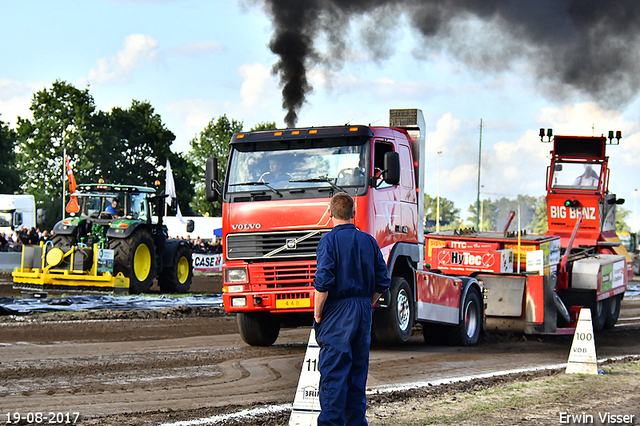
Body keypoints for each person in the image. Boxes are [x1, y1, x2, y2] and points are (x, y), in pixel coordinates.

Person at [313, 192, 391, 426]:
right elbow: (382, 281)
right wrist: (368, 302)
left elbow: (323, 282)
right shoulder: (368, 241)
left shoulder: (329, 241)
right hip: (363, 308)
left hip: (338, 312)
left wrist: (318, 314)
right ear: (353, 214)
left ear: (330, 214)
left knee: (334, 373)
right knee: (357, 374)